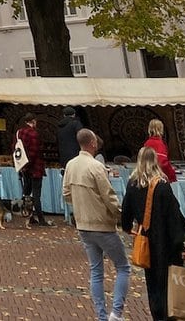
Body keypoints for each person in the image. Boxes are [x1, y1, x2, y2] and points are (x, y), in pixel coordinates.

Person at [63, 128, 130, 321]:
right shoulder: (96, 166)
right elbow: (108, 196)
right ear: (93, 143)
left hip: (83, 224)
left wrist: (81, 205)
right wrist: (120, 214)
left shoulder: (71, 165)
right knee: (123, 267)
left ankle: (101, 315)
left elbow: (66, 194)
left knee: (96, 271)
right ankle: (116, 313)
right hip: (102, 225)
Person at [121, 145, 185, 320]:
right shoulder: (162, 186)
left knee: (153, 281)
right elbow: (174, 217)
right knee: (170, 280)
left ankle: (157, 314)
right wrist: (182, 245)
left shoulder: (133, 184)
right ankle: (170, 314)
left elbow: (126, 211)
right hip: (166, 241)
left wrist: (127, 228)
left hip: (147, 239)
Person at [15, 113, 50, 225]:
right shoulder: (34, 134)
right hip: (35, 168)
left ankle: (28, 216)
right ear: (33, 121)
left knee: (26, 194)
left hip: (24, 168)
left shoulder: (19, 133)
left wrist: (23, 166)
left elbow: (15, 149)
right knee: (36, 195)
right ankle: (41, 219)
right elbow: (34, 152)